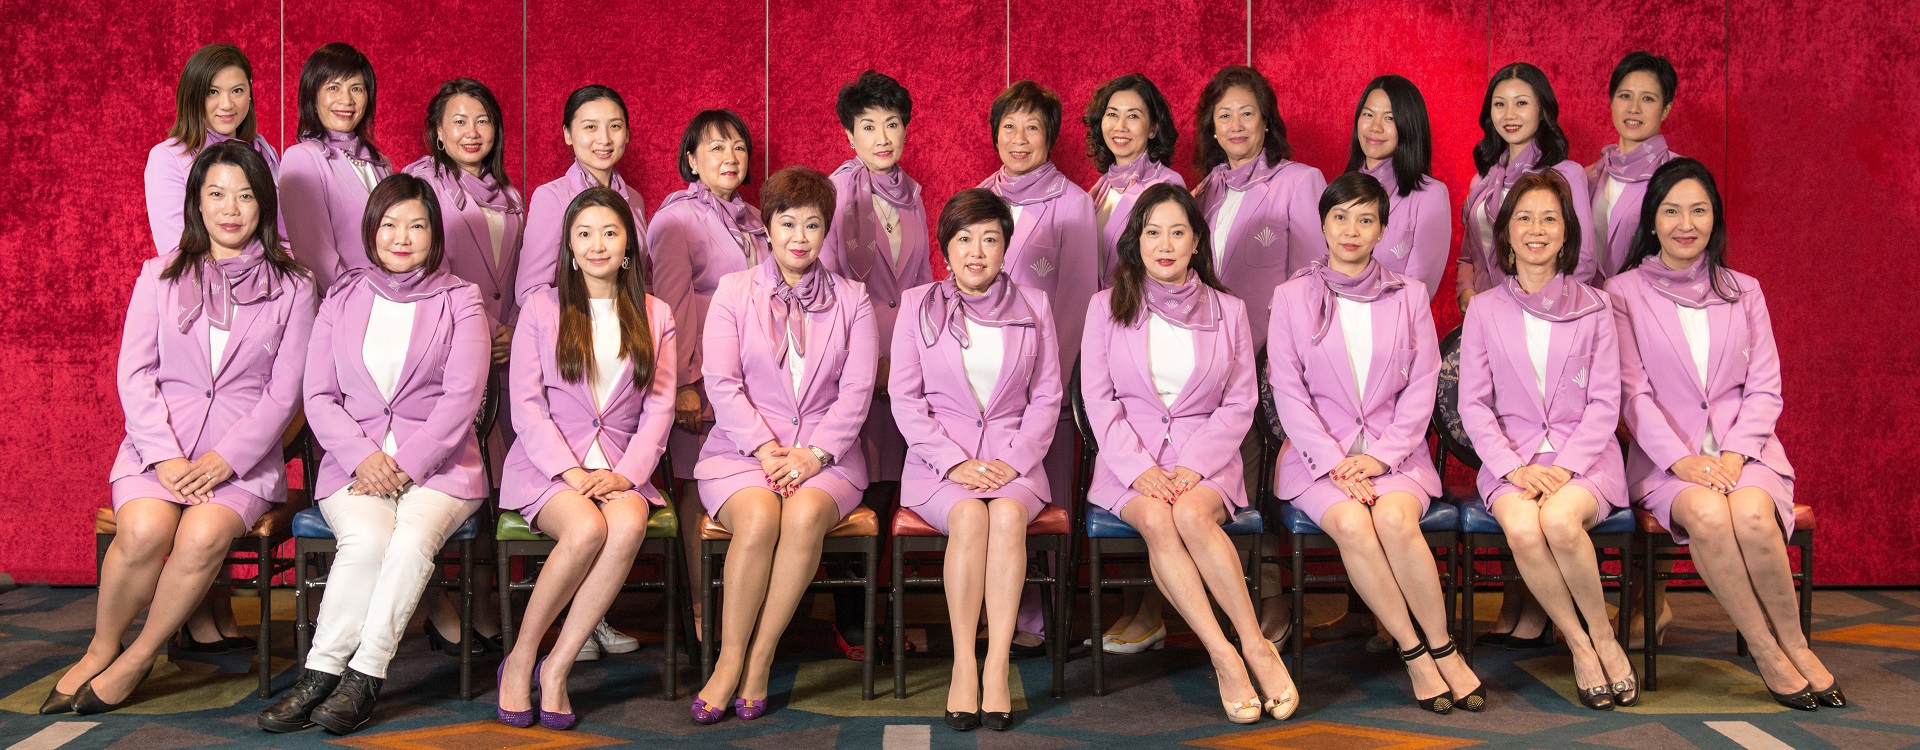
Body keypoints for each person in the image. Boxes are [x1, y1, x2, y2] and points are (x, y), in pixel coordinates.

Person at [50, 142, 314, 715]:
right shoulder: (160, 274)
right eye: (216, 194)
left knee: (201, 537)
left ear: (264, 205)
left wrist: (227, 459)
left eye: (245, 196)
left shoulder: (295, 285)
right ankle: (101, 648)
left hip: (238, 463)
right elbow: (135, 373)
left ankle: (139, 657)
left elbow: (285, 391)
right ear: (196, 202)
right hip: (157, 450)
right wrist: (164, 456)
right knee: (144, 530)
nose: (230, 209)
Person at [257, 174, 490, 735]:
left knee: (410, 541)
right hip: (355, 466)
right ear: (371, 230)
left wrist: (406, 465)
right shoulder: (342, 297)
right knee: (365, 542)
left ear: (435, 234)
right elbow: (318, 395)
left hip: (441, 469)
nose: (402, 237)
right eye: (389, 224)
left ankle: (364, 675)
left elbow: (462, 398)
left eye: (416, 225)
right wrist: (363, 456)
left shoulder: (461, 299)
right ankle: (320, 673)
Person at [1609, 158, 1842, 711]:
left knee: (1755, 516)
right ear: (1653, 219)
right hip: (1668, 463)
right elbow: (1632, 395)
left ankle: (1797, 645)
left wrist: (1735, 455)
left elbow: (1765, 386)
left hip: (1747, 452)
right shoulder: (1623, 293)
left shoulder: (1745, 291)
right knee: (1711, 516)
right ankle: (1766, 652)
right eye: (1671, 211)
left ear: (1714, 218)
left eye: (1698, 210)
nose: (1685, 224)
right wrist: (1682, 461)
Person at [1267, 172, 1484, 713]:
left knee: (1394, 520)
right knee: (1350, 523)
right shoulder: (1292, 296)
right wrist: (1337, 462)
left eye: (1365, 219)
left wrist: (1381, 457)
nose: (1351, 230)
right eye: (1340, 217)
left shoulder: (1408, 294)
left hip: (1396, 457)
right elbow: (1288, 391)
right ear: (1323, 225)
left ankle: (1445, 648)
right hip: (1319, 462)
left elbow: (1423, 384)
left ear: (1382, 230)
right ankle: (1415, 654)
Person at [1081, 183, 1298, 723]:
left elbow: (1240, 401)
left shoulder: (1229, 309)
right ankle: (1223, 655)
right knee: (1158, 519)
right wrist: (1140, 468)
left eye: (1178, 232)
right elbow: (1099, 400)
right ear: (1136, 241)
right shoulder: (1105, 307)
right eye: (1153, 232)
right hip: (1129, 462)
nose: (1165, 244)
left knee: (1192, 516)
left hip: (1208, 458)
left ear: (1196, 241)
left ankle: (1254, 644)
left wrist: (1194, 465)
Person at [688, 166, 877, 724]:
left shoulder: (854, 299)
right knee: (758, 518)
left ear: (826, 231)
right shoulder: (733, 291)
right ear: (767, 227)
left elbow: (857, 391)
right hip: (742, 452)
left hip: (827, 457)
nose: (799, 236)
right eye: (787, 222)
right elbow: (722, 383)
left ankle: (760, 659)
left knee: (803, 517)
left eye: (812, 224)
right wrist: (766, 450)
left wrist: (813, 454)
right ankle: (728, 661)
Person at [494, 187, 676, 729]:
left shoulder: (656, 313)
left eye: (610, 233)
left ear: (628, 246)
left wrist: (625, 474)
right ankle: (521, 658)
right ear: (570, 247)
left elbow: (660, 408)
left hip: (620, 466)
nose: (598, 245)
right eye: (585, 233)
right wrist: (571, 471)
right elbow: (526, 405)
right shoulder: (541, 308)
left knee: (628, 523)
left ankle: (557, 667)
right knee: (586, 529)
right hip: (548, 467)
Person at [1457, 170, 1636, 709]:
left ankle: (1605, 638)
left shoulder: (1596, 305)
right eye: (1525, 218)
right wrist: (1513, 468)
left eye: (1549, 219)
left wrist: (1564, 467)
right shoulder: (1485, 308)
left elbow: (1605, 402)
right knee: (1521, 524)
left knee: (1558, 520)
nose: (1536, 229)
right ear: (1506, 232)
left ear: (1566, 233)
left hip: (1584, 460)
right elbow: (1473, 404)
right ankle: (1582, 646)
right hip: (1511, 461)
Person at [889, 188, 1062, 732]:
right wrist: (951, 461)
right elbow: (905, 398)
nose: (976, 251)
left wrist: (1014, 460)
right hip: (939, 464)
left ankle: (997, 664)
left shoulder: (1035, 305)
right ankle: (965, 662)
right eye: (964, 239)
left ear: (1006, 246)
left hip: (1014, 461)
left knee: (1006, 515)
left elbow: (1047, 396)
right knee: (968, 515)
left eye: (990, 238)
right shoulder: (918, 305)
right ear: (946, 247)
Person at [1191, 64, 1327, 642]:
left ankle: (1270, 598)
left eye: (1247, 112)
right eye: (1224, 115)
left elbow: (1316, 275)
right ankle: (1234, 602)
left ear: (1267, 120)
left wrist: (1282, 353)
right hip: (1211, 365)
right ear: (1211, 127)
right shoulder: (1203, 192)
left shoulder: (1300, 180)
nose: (1236, 124)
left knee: (1259, 479)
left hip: (1273, 360)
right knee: (1223, 478)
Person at [818, 70, 934, 660]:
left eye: (892, 124)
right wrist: (869, 362)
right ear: (849, 134)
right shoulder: (835, 193)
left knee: (890, 488)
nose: (882, 137)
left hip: (906, 365)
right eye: (868, 126)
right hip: (853, 363)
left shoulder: (914, 193)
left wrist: (917, 359)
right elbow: (827, 288)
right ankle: (850, 618)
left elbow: (922, 284)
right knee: (853, 484)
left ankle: (876, 610)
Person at [978, 80, 1097, 656]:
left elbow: (1077, 301)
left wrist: (1046, 382)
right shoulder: (980, 196)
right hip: (984, 386)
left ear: (1050, 136)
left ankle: (1047, 618)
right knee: (991, 496)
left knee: (1044, 500)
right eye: (1009, 127)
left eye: (1032, 127)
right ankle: (999, 612)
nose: (1019, 138)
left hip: (1045, 385)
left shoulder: (1073, 203)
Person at [648, 109, 767, 636]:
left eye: (738, 147)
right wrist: (684, 385)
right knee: (697, 488)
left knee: (749, 487)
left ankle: (743, 612)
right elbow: (670, 306)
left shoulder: (756, 218)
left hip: (755, 380)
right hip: (702, 380)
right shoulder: (675, 219)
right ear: (691, 160)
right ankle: (701, 613)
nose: (730, 157)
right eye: (716, 147)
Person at [1457, 62, 1593, 309]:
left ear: (1542, 110)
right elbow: (1469, 255)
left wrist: (1544, 312)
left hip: (1540, 312)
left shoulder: (1566, 175)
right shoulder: (1483, 181)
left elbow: (1582, 260)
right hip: (1484, 310)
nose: (1509, 115)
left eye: (1521, 103)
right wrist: (1466, 290)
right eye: (1500, 104)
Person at [146, 43, 281, 256]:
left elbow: (284, 237)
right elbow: (176, 250)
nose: (226, 104)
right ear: (194, 95)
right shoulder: (168, 158)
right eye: (213, 92)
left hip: (273, 275)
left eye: (237, 90)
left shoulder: (265, 152)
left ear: (250, 90)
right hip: (203, 277)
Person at [280, 42, 390, 293]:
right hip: (341, 303)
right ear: (313, 96)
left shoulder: (381, 164)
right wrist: (359, 303)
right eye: (333, 87)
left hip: (390, 301)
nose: (346, 100)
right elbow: (314, 258)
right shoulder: (302, 159)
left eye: (356, 88)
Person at [1587, 51, 1680, 281]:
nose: (1634, 108)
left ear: (1666, 109)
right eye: (1625, 96)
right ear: (1611, 102)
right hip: (1589, 301)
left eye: (1648, 99)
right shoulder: (1590, 175)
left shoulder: (1679, 177)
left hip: (1647, 299)